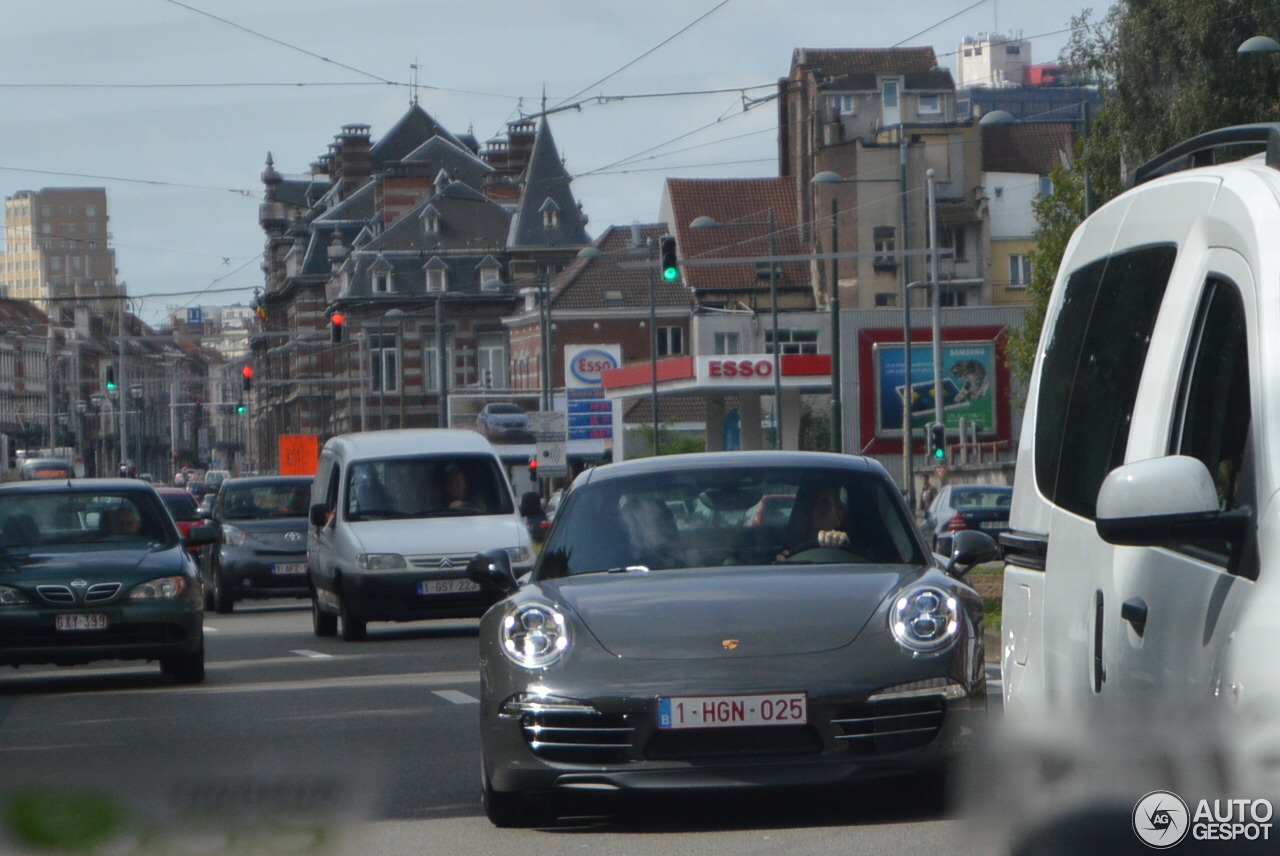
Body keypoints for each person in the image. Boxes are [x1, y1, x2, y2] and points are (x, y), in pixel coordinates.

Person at [777, 484, 850, 559]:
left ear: (839, 516)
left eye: (823, 506)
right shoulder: (781, 552)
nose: (813, 513)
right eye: (807, 505)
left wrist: (840, 543)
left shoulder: (856, 559)